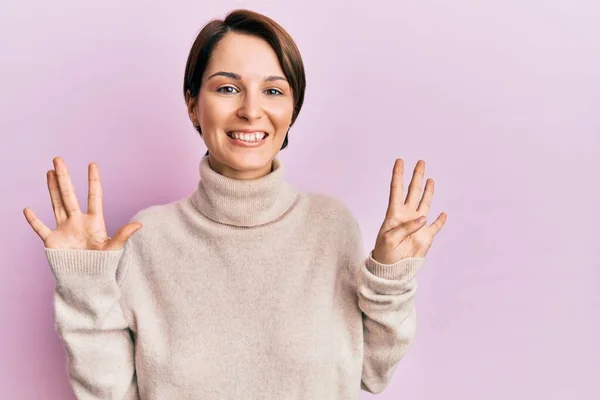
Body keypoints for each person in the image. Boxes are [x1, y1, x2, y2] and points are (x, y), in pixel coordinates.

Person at [23, 9, 447, 400]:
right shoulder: (148, 238)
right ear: (193, 104)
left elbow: (372, 373)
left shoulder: (331, 227)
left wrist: (390, 279)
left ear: (292, 108)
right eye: (228, 88)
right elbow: (108, 394)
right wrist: (85, 288)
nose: (250, 110)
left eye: (273, 90)